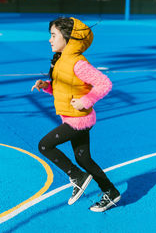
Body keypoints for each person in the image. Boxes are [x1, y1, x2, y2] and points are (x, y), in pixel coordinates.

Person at [31, 17, 120, 212]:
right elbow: (65, 89)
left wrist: (85, 101)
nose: (50, 40)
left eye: (53, 35)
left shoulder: (78, 63)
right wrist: (46, 86)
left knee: (45, 145)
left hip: (79, 119)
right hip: (73, 118)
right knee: (84, 159)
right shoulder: (62, 61)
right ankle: (111, 192)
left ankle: (77, 177)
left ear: (68, 38)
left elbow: (105, 83)